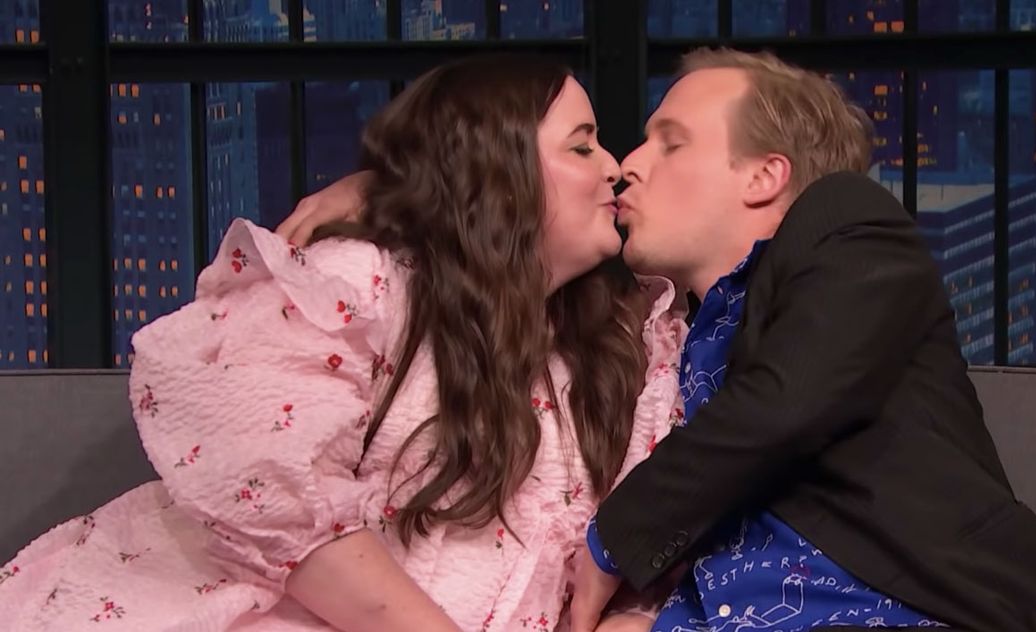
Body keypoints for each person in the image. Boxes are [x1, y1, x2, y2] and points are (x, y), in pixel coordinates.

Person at [0, 54, 688, 632]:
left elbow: (663, 529)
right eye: (581, 145)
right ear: (498, 171)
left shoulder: (626, 354)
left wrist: (636, 613)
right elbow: (259, 470)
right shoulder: (364, 285)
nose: (614, 166)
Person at [563, 48, 1036, 632]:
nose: (628, 164)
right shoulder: (670, 343)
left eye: (671, 143)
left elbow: (786, 402)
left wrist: (613, 540)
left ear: (763, 176)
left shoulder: (848, 225)